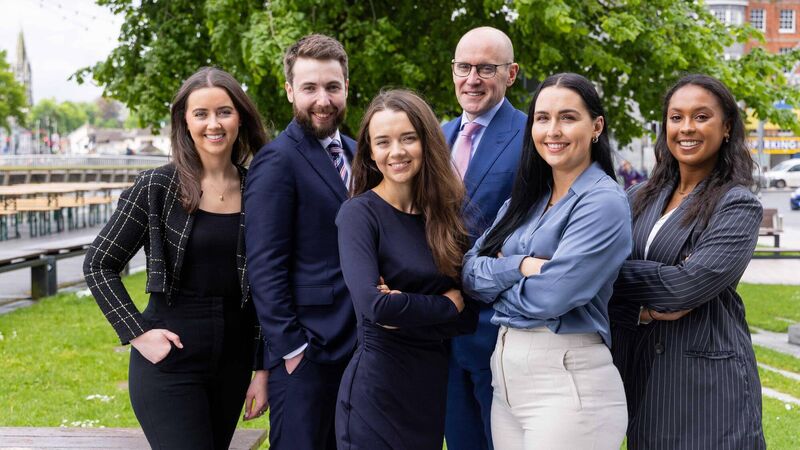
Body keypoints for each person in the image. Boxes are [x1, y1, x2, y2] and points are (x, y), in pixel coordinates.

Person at [83, 67, 269, 449]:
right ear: (185, 122)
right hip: (170, 362)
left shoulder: (260, 189)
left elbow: (271, 284)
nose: (213, 124)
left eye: (224, 112)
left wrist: (262, 368)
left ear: (240, 118)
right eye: (201, 114)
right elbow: (99, 263)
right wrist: (137, 333)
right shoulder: (157, 186)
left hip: (233, 364)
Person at [462, 73, 630, 450]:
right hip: (507, 385)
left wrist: (497, 286)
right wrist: (522, 266)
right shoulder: (526, 201)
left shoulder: (602, 202)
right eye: (542, 118)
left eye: (568, 117)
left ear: (596, 127)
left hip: (567, 385)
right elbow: (469, 274)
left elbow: (550, 297)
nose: (553, 130)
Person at [608, 74, 766, 449]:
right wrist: (643, 309)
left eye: (701, 116)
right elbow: (589, 275)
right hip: (642, 378)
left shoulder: (737, 204)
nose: (687, 128)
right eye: (676, 117)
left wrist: (612, 276)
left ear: (727, 128)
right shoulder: (638, 197)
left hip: (708, 387)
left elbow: (685, 287)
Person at [335, 89, 478, 450]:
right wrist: (446, 304)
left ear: (426, 143)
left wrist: (407, 308)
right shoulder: (358, 215)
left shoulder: (445, 216)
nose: (396, 151)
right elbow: (376, 306)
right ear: (370, 151)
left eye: (408, 138)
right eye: (383, 142)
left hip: (429, 393)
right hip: (375, 395)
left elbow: (469, 315)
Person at [244, 34, 357, 450]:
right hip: (306, 353)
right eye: (310, 88)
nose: (322, 100)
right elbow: (264, 266)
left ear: (346, 88)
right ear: (290, 91)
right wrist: (291, 348)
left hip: (359, 347)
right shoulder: (277, 160)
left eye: (332, 87)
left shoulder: (359, 153)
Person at [441, 26, 527, 450]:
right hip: (440, 330)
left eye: (486, 69)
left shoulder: (533, 136)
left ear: (511, 73)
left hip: (498, 331)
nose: (472, 79)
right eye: (464, 67)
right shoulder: (436, 136)